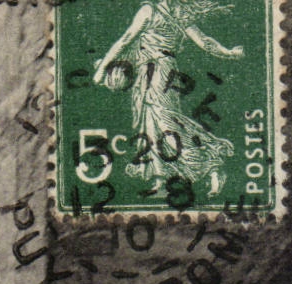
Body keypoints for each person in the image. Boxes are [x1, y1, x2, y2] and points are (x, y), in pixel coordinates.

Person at [93, 1, 242, 197]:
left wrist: (103, 68)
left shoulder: (152, 11)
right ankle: (160, 179)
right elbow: (205, 42)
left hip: (159, 71)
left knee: (166, 122)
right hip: (151, 71)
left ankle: (211, 166)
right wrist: (229, 53)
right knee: (150, 122)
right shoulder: (176, 13)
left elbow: (125, 40)